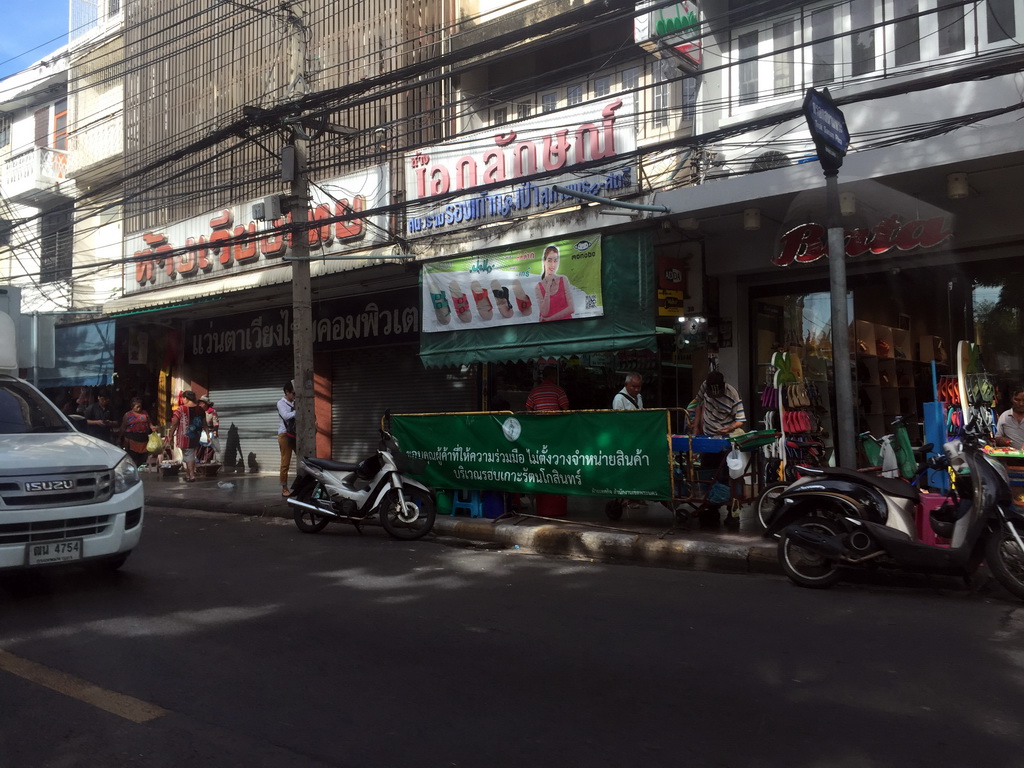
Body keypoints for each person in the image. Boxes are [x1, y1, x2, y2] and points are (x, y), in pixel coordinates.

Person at [687, 370, 746, 531]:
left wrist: (729, 428)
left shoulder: (732, 393)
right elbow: (699, 404)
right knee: (707, 473)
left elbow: (740, 420)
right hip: (708, 439)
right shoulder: (704, 387)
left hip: (725, 440)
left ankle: (731, 512)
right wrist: (696, 429)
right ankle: (710, 507)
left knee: (727, 477)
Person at [169, 390, 205, 483]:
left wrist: (170, 435)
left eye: (183, 398)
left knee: (189, 455)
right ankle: (188, 474)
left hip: (185, 436)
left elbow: (174, 423)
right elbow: (204, 423)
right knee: (189, 454)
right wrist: (208, 434)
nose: (183, 400)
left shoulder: (181, 409)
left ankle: (192, 475)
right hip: (196, 435)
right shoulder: (200, 409)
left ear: (186, 398)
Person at [535, 245, 575, 322]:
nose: (553, 264)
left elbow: (571, 308)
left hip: (567, 326)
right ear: (544, 261)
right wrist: (547, 289)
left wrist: (550, 319)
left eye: (555, 261)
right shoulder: (538, 287)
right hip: (548, 329)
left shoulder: (563, 280)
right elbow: (544, 313)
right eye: (549, 260)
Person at [118, 397, 158, 468]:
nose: (139, 408)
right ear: (132, 407)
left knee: (143, 457)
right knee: (133, 457)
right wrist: (119, 438)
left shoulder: (145, 413)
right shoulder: (127, 415)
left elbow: (149, 424)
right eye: (137, 407)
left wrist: (153, 427)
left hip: (143, 439)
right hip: (131, 439)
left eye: (140, 406)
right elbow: (123, 427)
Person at [278, 381, 297, 497]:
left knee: (303, 458)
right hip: (284, 435)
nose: (294, 396)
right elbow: (285, 416)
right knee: (285, 462)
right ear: (287, 392)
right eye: (293, 394)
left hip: (294, 434)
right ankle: (284, 487)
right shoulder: (281, 403)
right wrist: (297, 412)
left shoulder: (294, 403)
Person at [995, 386, 1024, 450]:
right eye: (1017, 400)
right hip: (1010, 458)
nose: (1021, 404)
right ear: (1012, 399)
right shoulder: (1004, 417)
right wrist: (1001, 440)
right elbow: (997, 438)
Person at [197, 394, 220, 464]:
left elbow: (215, 423)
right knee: (199, 449)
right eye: (199, 403)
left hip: (210, 432)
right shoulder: (198, 411)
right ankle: (198, 464)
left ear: (206, 404)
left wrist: (215, 432)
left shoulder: (212, 412)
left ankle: (206, 463)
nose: (200, 405)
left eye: (202, 403)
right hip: (200, 432)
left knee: (209, 450)